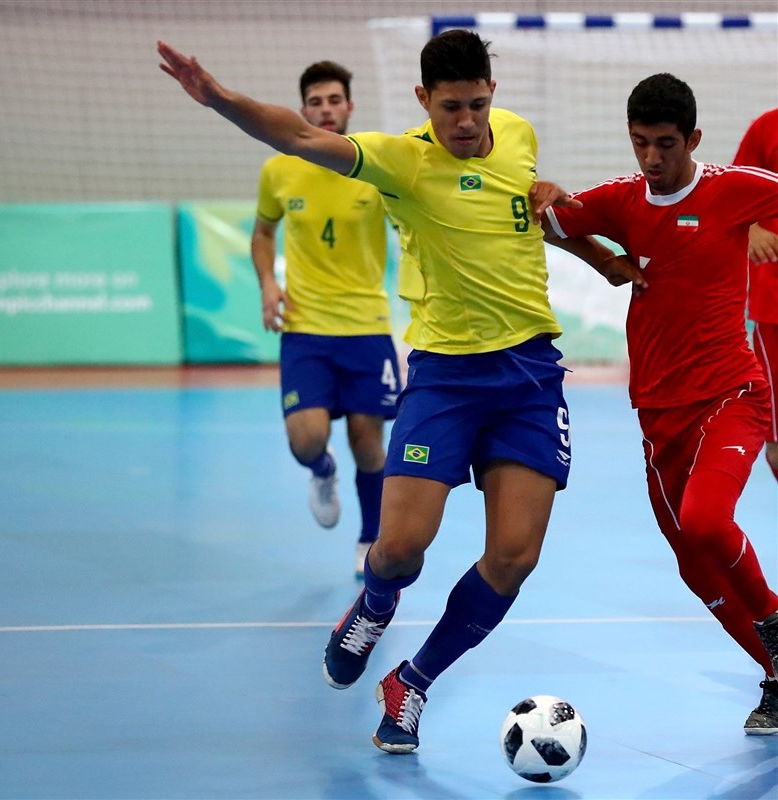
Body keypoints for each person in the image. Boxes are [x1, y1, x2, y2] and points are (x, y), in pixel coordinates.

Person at [158, 31, 645, 754]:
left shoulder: (517, 136)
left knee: (513, 556)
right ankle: (374, 605)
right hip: (446, 376)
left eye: (478, 105)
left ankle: (411, 682)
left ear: (492, 95)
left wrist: (600, 257)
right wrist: (220, 97)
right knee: (398, 549)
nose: (468, 123)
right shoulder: (402, 161)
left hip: (529, 375)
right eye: (452, 108)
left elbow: (526, 219)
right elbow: (293, 132)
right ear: (424, 100)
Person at [538, 73, 778, 734]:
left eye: (665, 144)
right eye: (640, 143)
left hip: (734, 393)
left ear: (693, 139)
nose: (651, 158)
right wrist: (602, 258)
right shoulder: (622, 200)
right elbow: (552, 218)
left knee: (706, 521)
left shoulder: (735, 188)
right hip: (657, 414)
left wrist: (766, 237)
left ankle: (775, 623)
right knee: (693, 564)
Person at [250, 60, 400, 578]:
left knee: (368, 440)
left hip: (366, 327)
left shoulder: (374, 166)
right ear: (304, 109)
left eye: (335, 100)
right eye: (316, 102)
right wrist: (269, 283)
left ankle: (368, 538)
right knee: (307, 439)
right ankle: (322, 471)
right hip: (305, 329)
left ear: (349, 107)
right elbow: (264, 232)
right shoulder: (279, 169)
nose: (326, 109)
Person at [732, 108, 778, 483]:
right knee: (776, 445)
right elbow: (731, 196)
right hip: (774, 306)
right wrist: (749, 229)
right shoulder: (767, 127)